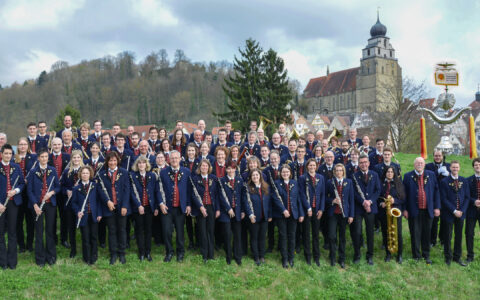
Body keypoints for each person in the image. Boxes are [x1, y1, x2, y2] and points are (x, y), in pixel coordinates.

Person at [403, 157, 440, 264]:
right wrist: (405, 209)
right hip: (414, 210)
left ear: (424, 165)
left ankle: (426, 255)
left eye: (421, 163)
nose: (419, 164)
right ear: (414, 165)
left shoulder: (431, 175)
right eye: (417, 163)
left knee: (426, 233)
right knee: (415, 233)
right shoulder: (407, 176)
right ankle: (416, 256)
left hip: (428, 210)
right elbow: (404, 195)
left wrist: (437, 207)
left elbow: (436, 192)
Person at [27, 148, 61, 267]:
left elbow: (57, 187)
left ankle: (51, 256)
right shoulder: (33, 172)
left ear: (48, 158)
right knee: (39, 231)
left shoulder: (52, 170)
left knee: (50, 230)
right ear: (38, 158)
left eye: (46, 157)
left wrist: (51, 193)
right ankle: (40, 257)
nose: (44, 159)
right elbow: (29, 191)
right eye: (42, 157)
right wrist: (35, 205)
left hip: (50, 204)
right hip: (37, 205)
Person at [97, 152, 131, 265]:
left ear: (118, 161)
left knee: (122, 230)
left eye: (114, 160)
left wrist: (125, 205)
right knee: (111, 231)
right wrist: (107, 201)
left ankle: (122, 253)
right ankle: (113, 253)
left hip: (122, 207)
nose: (112, 163)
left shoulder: (124, 172)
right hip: (109, 207)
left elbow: (127, 190)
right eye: (110, 161)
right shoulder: (102, 174)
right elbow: (100, 191)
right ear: (107, 162)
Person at [159, 151, 191, 262]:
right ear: (169, 159)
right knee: (167, 231)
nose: (174, 160)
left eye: (176, 158)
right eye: (172, 158)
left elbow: (189, 190)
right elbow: (158, 190)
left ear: (180, 159)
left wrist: (188, 204)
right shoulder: (163, 172)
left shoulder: (186, 172)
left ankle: (180, 252)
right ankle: (169, 252)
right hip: (167, 208)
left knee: (180, 231)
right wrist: (161, 204)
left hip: (180, 207)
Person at [351, 154, 381, 265]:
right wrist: (363, 201)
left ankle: (370, 256)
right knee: (357, 232)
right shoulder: (354, 176)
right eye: (361, 162)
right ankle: (357, 254)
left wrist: (370, 201)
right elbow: (353, 192)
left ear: (368, 163)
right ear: (359, 164)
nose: (363, 164)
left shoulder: (375, 175)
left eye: (365, 162)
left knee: (370, 232)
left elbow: (378, 190)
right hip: (359, 208)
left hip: (371, 208)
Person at [272, 165, 304, 268]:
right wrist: (283, 210)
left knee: (292, 236)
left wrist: (301, 213)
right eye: (283, 172)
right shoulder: (276, 183)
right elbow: (275, 198)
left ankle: (291, 258)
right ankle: (284, 258)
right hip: (281, 215)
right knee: (283, 236)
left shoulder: (294, 183)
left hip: (293, 214)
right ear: (280, 173)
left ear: (290, 173)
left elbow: (298, 199)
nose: (285, 174)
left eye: (287, 172)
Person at [130, 156, 160, 262]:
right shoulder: (133, 176)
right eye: (139, 163)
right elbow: (132, 193)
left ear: (146, 164)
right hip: (138, 208)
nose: (141, 165)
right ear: (137, 165)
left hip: (149, 207)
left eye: (143, 163)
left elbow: (156, 192)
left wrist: (156, 207)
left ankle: (148, 252)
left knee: (148, 230)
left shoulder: (152, 175)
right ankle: (141, 252)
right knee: (139, 230)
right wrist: (138, 205)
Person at [0, 144, 25, 270]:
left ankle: (12, 261)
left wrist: (15, 191)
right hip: (0, 204)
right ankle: (3, 262)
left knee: (12, 232)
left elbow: (21, 183)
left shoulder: (16, 167)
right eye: (6, 153)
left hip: (13, 203)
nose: (8, 156)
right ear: (1, 154)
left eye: (10, 154)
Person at [440, 160, 469, 266]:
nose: (455, 169)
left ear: (459, 168)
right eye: (453, 167)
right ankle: (448, 257)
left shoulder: (464, 181)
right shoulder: (444, 181)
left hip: (461, 213)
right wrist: (454, 210)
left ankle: (457, 257)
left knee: (459, 235)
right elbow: (443, 199)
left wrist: (462, 210)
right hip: (449, 213)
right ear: (450, 168)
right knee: (447, 236)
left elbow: (467, 197)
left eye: (457, 167)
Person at [71, 166, 102, 265]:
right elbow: (74, 203)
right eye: (83, 173)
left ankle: (94, 255)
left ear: (90, 174)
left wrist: (99, 214)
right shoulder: (76, 188)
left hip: (93, 215)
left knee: (93, 236)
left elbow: (98, 201)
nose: (85, 175)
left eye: (87, 173)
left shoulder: (95, 186)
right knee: (85, 237)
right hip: (83, 216)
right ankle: (86, 257)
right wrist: (77, 212)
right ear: (80, 175)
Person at [325, 164, 354, 268]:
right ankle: (332, 257)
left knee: (342, 237)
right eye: (336, 170)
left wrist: (351, 215)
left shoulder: (349, 182)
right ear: (334, 172)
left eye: (340, 170)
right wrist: (332, 200)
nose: (338, 172)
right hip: (333, 213)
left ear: (343, 172)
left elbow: (351, 199)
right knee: (332, 236)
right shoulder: (330, 182)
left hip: (344, 214)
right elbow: (325, 197)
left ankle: (341, 258)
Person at [190, 159, 219, 263]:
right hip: (200, 208)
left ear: (209, 168)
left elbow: (216, 195)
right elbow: (193, 195)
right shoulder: (194, 179)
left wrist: (218, 209)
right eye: (202, 166)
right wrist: (200, 207)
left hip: (211, 207)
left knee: (210, 231)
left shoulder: (214, 178)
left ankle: (211, 254)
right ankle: (204, 254)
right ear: (199, 168)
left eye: (206, 166)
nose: (204, 168)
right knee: (202, 231)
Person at [298, 159, 325, 266]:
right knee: (306, 234)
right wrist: (308, 208)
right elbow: (302, 195)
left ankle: (316, 256)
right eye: (310, 165)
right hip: (307, 209)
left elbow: (323, 194)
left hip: (317, 209)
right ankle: (308, 256)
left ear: (316, 166)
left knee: (315, 234)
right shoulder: (302, 178)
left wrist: (321, 209)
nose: (312, 167)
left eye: (314, 165)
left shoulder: (321, 178)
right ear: (307, 166)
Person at [217, 161, 244, 265]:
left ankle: (237, 256)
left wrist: (242, 211)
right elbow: (221, 197)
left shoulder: (239, 180)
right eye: (228, 168)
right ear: (226, 169)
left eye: (232, 168)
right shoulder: (221, 181)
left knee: (237, 235)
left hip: (237, 212)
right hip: (226, 212)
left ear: (235, 169)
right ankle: (228, 256)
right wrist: (228, 208)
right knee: (227, 235)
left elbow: (242, 197)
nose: (231, 170)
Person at [243, 169, 271, 266]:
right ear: (251, 177)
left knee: (262, 237)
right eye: (253, 175)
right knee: (254, 237)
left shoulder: (266, 187)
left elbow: (269, 202)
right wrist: (250, 215)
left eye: (257, 175)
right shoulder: (247, 188)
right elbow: (246, 202)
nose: (255, 177)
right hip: (253, 217)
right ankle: (256, 256)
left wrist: (269, 215)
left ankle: (262, 255)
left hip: (264, 217)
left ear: (260, 176)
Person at [60, 150, 84, 258]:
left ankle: (85, 247)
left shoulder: (85, 171)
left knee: (83, 227)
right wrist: (66, 191)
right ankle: (73, 249)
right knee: (71, 227)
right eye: (74, 158)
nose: (76, 160)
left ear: (81, 159)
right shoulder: (66, 172)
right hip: (69, 203)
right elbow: (62, 186)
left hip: (81, 203)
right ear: (71, 159)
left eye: (78, 157)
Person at [379, 166, 405, 264]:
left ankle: (399, 255)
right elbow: (378, 197)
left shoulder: (399, 183)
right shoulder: (382, 184)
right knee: (386, 233)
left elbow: (403, 199)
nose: (390, 173)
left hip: (395, 212)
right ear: (385, 173)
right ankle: (388, 253)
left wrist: (395, 200)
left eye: (391, 172)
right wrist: (381, 203)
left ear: (394, 173)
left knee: (398, 233)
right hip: (384, 213)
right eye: (388, 172)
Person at [15, 137, 37, 253]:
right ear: (18, 146)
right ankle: (21, 245)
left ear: (28, 146)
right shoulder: (14, 159)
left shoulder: (33, 158)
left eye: (25, 144)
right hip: (18, 193)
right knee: (19, 221)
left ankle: (29, 244)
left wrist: (30, 180)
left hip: (29, 193)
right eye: (21, 144)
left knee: (30, 221)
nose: (23, 146)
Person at [425, 150, 450, 247]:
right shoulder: (429, 166)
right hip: (434, 195)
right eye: (436, 156)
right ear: (433, 156)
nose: (438, 157)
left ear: (443, 156)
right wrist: (437, 172)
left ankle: (443, 239)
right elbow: (428, 178)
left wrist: (448, 174)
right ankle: (432, 240)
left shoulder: (448, 166)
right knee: (434, 219)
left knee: (444, 219)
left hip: (445, 196)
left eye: (439, 156)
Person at [49, 137, 70, 248]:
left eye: (58, 144)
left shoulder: (67, 157)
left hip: (63, 191)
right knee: (52, 216)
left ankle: (64, 239)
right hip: (51, 191)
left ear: (62, 145)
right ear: (52, 145)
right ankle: (53, 238)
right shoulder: (47, 157)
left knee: (64, 216)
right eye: (55, 145)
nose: (56, 146)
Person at [466, 158, 480, 263]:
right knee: (469, 233)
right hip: (471, 210)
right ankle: (470, 255)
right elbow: (466, 196)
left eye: (479, 164)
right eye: (476, 165)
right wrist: (474, 201)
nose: (478, 166)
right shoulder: (468, 180)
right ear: (473, 167)